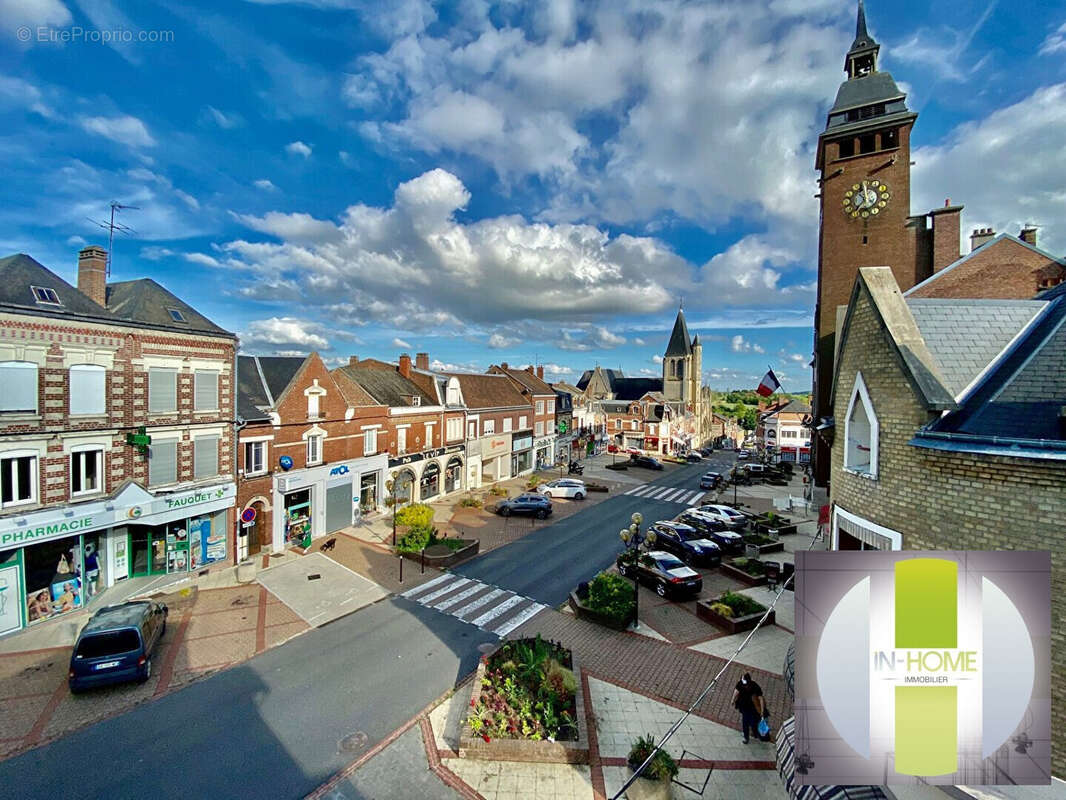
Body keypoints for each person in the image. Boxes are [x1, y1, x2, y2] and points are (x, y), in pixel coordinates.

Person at [732, 672, 765, 744]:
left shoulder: (755, 686)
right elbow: (736, 691)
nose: (744, 684)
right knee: (745, 722)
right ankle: (746, 736)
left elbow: (760, 698)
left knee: (753, 722)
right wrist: (733, 699)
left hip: (753, 708)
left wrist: (762, 710)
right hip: (744, 707)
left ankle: (754, 732)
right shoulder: (740, 683)